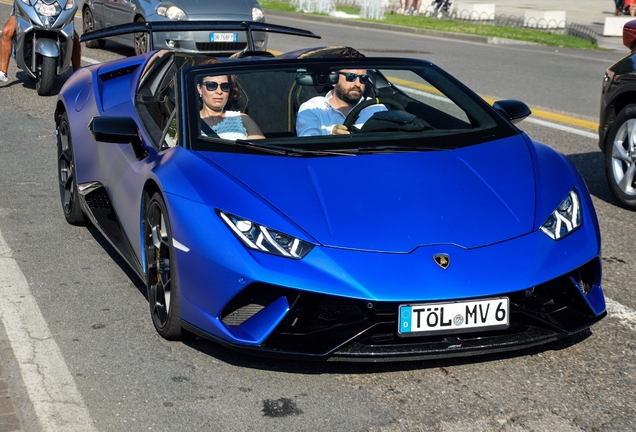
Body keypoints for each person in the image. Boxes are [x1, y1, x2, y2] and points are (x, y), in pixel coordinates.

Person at [296, 68, 387, 136]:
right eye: (351, 77)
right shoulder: (313, 108)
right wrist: (331, 139)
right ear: (334, 79)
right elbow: (308, 146)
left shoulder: (377, 108)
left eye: (363, 78)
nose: (358, 84)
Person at [0, 9, 81, 82]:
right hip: (27, 8)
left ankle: (78, 75)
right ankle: (3, 71)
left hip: (55, 11)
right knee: (7, 31)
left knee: (74, 38)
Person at [197, 72, 265, 140]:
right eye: (211, 85)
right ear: (200, 89)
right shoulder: (188, 123)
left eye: (225, 86)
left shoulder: (242, 119)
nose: (219, 91)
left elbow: (260, 148)